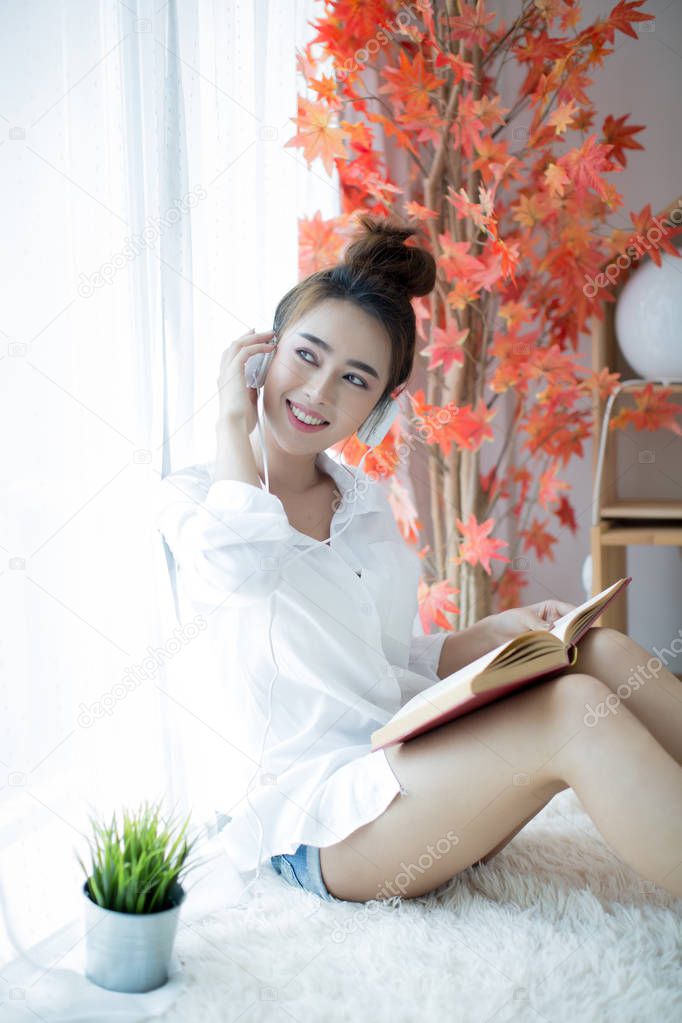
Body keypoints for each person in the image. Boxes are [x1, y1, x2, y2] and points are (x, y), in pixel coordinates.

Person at [156, 214, 682, 905]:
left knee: (598, 654)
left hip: (399, 774)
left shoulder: (361, 506)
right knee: (572, 708)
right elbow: (237, 568)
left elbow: (382, 661)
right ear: (264, 352)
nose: (319, 393)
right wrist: (232, 415)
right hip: (314, 826)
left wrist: (500, 633)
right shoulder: (196, 501)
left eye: (355, 379)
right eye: (307, 356)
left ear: (379, 402)